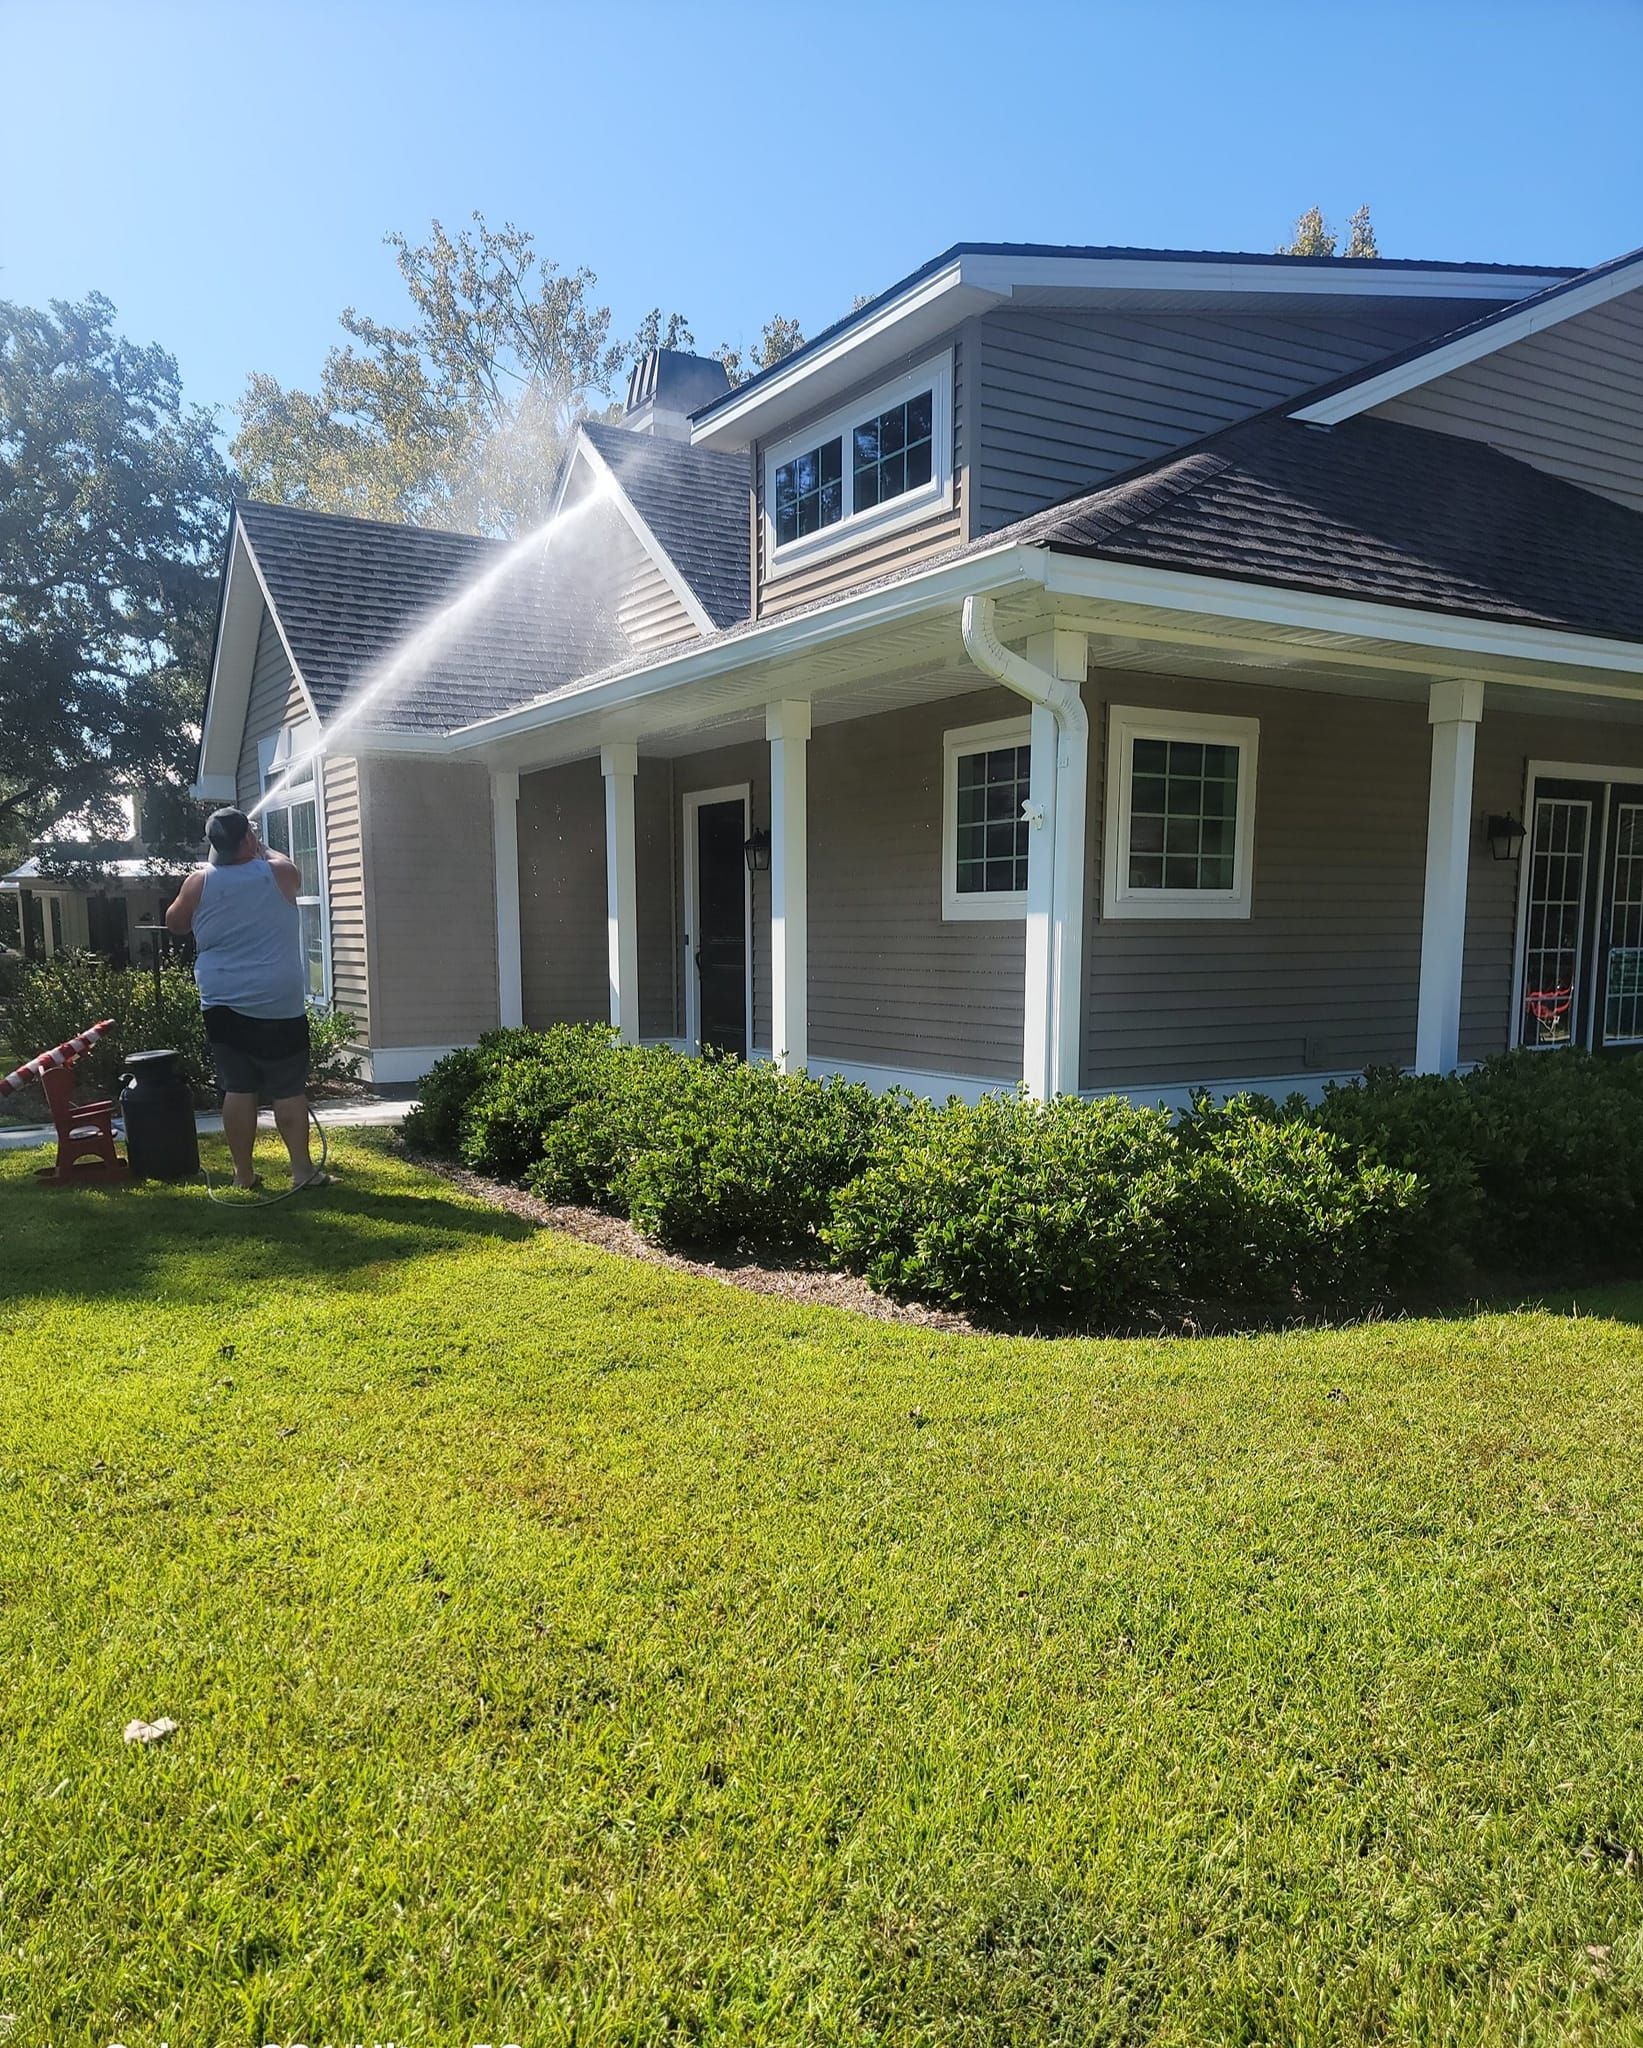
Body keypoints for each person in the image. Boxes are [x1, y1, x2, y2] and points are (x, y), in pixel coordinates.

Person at [166, 806, 330, 1192]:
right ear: (248, 839)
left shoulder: (198, 882)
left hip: (222, 1001)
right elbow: (287, 864)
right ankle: (302, 1172)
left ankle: (243, 1175)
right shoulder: (277, 872)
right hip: (277, 1001)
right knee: (287, 1088)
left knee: (238, 1086)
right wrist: (262, 845)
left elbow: (175, 923)